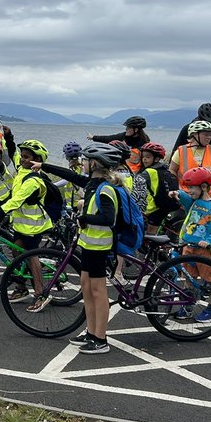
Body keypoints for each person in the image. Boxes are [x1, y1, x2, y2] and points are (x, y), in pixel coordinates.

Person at [68, 142, 128, 354]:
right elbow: (74, 178)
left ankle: (100, 339)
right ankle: (91, 331)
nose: (82, 163)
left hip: (99, 247)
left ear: (94, 164)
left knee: (98, 290)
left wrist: (84, 217)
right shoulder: (94, 184)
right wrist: (44, 166)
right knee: (86, 286)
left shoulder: (106, 189)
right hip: (89, 244)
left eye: (85, 160)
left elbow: (108, 218)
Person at [0, 139, 54, 314]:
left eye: (27, 157)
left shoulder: (34, 180)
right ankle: (21, 288)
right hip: (21, 224)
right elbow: (14, 154)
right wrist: (8, 137)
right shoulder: (22, 171)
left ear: (37, 159)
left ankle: (41, 294)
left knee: (31, 256)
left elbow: (17, 200)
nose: (23, 159)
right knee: (16, 252)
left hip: (34, 226)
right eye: (23, 156)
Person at [169, 166, 211, 323]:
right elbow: (184, 197)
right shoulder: (194, 203)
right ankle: (188, 305)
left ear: (203, 187)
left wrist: (209, 241)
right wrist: (177, 193)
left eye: (192, 187)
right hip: (189, 246)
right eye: (188, 187)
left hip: (206, 251)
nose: (189, 191)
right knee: (189, 278)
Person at [169, 102, 211, 191]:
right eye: (205, 134)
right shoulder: (188, 129)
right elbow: (177, 151)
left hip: (210, 189)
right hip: (187, 190)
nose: (209, 136)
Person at [170, 120, 211, 199]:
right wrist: (178, 188)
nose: (208, 137)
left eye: (210, 135)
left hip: (210, 199)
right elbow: (172, 170)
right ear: (194, 134)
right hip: (187, 197)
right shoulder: (181, 151)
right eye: (205, 134)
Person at [137, 141, 178, 234]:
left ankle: (151, 246)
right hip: (164, 206)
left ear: (156, 159)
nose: (144, 160)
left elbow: (134, 184)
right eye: (143, 157)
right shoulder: (165, 169)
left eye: (148, 157)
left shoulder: (148, 172)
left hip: (154, 208)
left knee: (150, 234)